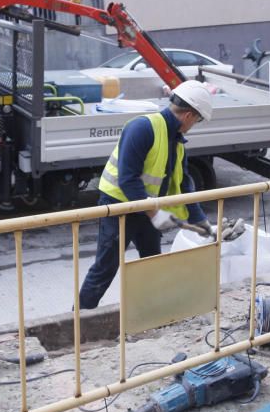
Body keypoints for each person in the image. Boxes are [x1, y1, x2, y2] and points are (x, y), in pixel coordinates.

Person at [78, 80, 214, 309]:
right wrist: (154, 214)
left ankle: (151, 312)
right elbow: (127, 178)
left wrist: (202, 223)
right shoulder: (143, 127)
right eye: (198, 120)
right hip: (119, 207)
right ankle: (78, 320)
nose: (195, 125)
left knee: (152, 261)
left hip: (145, 209)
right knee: (106, 266)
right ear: (190, 115)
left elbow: (183, 186)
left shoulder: (177, 143)